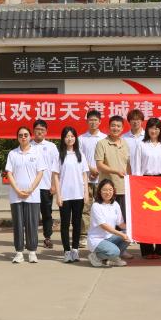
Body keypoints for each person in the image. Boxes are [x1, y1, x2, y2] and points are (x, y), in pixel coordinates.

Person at [5, 126, 48, 263]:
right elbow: (9, 173)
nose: (23, 137)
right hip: (16, 195)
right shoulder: (13, 154)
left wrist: (30, 189)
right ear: (17, 138)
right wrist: (17, 190)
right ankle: (19, 252)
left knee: (32, 224)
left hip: (32, 195)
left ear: (30, 136)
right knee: (18, 224)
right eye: (20, 135)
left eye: (25, 135)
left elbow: (40, 173)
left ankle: (32, 252)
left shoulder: (36, 153)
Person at [131, 117, 161, 258]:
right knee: (145, 219)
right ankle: (147, 250)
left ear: (160, 130)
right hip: (145, 182)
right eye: (151, 128)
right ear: (147, 129)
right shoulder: (141, 145)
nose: (154, 131)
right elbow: (136, 167)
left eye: (156, 128)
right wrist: (137, 185)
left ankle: (160, 250)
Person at [55, 126, 89, 263]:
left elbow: (84, 175)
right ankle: (67, 251)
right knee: (64, 224)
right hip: (64, 195)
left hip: (78, 194)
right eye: (67, 136)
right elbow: (55, 176)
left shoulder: (80, 155)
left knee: (77, 223)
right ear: (63, 139)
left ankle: (75, 250)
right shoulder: (59, 155)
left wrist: (86, 193)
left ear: (75, 138)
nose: (70, 139)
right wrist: (58, 195)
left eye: (72, 136)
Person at [94, 115, 131, 219]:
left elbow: (127, 164)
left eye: (118, 126)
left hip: (123, 188)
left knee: (122, 219)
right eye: (113, 125)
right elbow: (99, 165)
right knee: (107, 218)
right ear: (109, 127)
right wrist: (116, 171)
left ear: (122, 128)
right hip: (106, 190)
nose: (116, 128)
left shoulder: (125, 143)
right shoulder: (101, 143)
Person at [31, 119, 60, 249]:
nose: (39, 132)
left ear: (46, 132)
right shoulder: (28, 145)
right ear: (33, 131)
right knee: (31, 214)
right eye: (37, 129)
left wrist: (54, 184)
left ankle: (47, 237)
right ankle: (31, 238)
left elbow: (56, 167)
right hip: (31, 187)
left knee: (47, 213)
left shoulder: (51, 146)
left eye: (42, 130)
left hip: (46, 186)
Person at [78, 110, 105, 247]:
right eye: (90, 120)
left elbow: (106, 157)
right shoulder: (81, 138)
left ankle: (103, 234)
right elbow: (79, 157)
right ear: (87, 121)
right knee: (85, 208)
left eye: (95, 120)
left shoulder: (104, 138)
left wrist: (98, 170)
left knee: (102, 207)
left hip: (102, 178)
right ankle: (83, 235)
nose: (93, 122)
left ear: (100, 122)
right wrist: (90, 169)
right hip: (86, 178)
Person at [87, 179, 129, 268]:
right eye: (105, 190)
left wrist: (133, 230)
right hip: (97, 239)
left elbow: (120, 224)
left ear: (113, 191)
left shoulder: (115, 204)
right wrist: (121, 234)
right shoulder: (96, 206)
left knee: (129, 235)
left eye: (110, 190)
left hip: (110, 237)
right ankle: (96, 256)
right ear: (100, 191)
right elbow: (104, 226)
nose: (108, 192)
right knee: (115, 251)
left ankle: (112, 258)